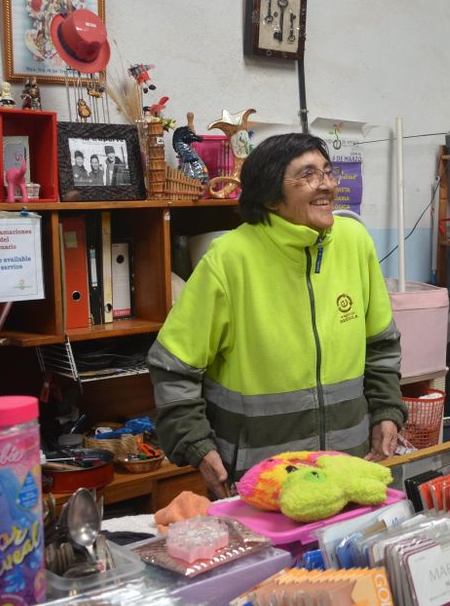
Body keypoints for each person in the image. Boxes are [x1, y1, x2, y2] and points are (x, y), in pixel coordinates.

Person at [148, 132, 406, 497]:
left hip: (349, 466)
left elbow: (381, 346)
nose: (327, 184)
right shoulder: (229, 259)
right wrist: (196, 445)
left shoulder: (355, 242)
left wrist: (386, 411)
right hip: (262, 481)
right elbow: (173, 366)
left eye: (327, 172)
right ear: (270, 198)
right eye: (307, 175)